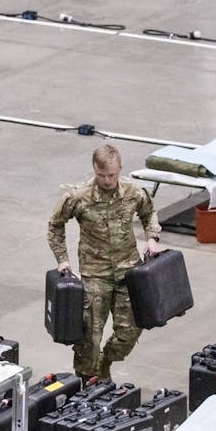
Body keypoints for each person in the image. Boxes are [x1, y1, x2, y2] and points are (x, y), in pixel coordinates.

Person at [47, 145, 162, 381]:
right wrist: (63, 260)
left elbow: (149, 213)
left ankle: (105, 362)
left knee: (129, 332)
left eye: (111, 175)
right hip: (94, 273)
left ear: (120, 168)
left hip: (128, 272)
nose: (107, 181)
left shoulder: (134, 192)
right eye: (102, 175)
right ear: (94, 169)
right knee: (89, 337)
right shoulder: (78, 197)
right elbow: (55, 225)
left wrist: (151, 238)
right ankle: (86, 382)